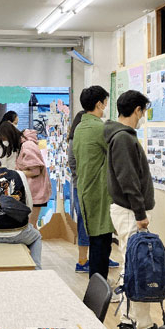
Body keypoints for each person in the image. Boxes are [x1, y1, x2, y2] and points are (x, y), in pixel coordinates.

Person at [104, 90, 157, 329]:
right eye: (143, 111)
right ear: (137, 110)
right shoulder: (123, 139)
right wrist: (140, 214)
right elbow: (129, 180)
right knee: (139, 268)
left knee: (130, 266)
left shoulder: (119, 136)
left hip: (125, 210)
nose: (143, 117)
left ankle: (127, 320)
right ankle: (143, 325)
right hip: (129, 212)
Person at [73, 85, 115, 280]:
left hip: (84, 190)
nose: (106, 106)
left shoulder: (80, 127)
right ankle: (100, 288)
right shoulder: (100, 128)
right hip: (98, 192)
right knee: (101, 243)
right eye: (105, 102)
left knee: (96, 240)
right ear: (99, 104)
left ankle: (97, 287)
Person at [0, 153, 42, 269]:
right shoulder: (19, 175)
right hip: (21, 232)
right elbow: (28, 205)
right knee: (36, 236)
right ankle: (36, 269)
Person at [15, 126, 52, 228]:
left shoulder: (27, 146)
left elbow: (35, 171)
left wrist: (17, 172)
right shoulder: (29, 144)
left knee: (30, 227)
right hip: (36, 192)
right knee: (31, 226)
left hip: (35, 192)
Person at [68, 111, 91, 273]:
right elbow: (74, 164)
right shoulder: (75, 140)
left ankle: (95, 257)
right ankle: (82, 261)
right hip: (81, 186)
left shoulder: (76, 140)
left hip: (82, 186)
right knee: (84, 223)